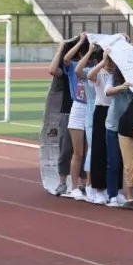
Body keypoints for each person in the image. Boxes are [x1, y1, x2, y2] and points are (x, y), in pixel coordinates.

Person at [47, 39, 83, 196]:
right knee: (66, 149)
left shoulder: (90, 68)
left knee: (84, 150)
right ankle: (62, 183)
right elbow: (53, 70)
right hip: (68, 112)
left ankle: (83, 183)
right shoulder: (69, 69)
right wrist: (61, 47)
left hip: (87, 112)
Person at [75, 41, 108, 204]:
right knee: (94, 149)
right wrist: (89, 50)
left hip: (106, 112)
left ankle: (102, 185)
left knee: (104, 150)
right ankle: (89, 185)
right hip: (92, 112)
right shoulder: (91, 72)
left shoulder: (109, 74)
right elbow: (78, 71)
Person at [61, 34, 90, 200]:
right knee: (78, 152)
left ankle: (87, 185)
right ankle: (74, 187)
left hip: (92, 108)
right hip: (78, 108)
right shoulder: (73, 66)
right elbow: (66, 59)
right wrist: (80, 42)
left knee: (89, 151)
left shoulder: (95, 67)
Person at [104, 67, 133, 207]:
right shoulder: (114, 78)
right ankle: (112, 195)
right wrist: (122, 87)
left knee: (130, 163)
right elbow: (107, 91)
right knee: (114, 162)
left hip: (130, 127)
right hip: (114, 126)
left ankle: (130, 194)